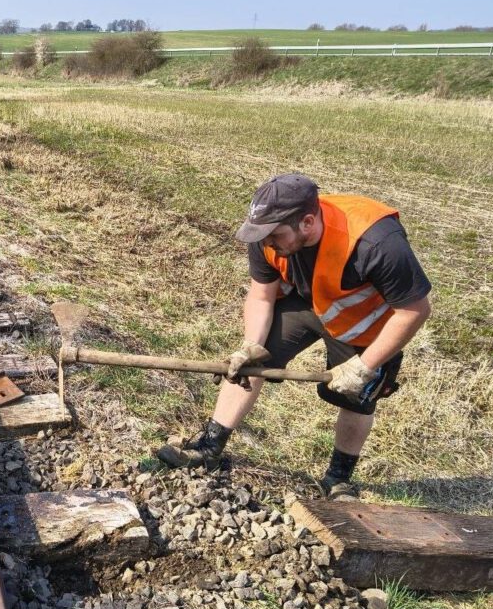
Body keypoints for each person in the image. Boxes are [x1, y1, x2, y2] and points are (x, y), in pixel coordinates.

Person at [157, 174, 432, 498]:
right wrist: (250, 345)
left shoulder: (376, 242)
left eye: (275, 235)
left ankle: (338, 478)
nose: (267, 242)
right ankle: (208, 449)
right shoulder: (266, 236)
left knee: (355, 399)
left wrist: (365, 366)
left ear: (307, 222)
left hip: (364, 323)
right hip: (308, 300)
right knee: (249, 366)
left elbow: (415, 310)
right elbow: (261, 296)